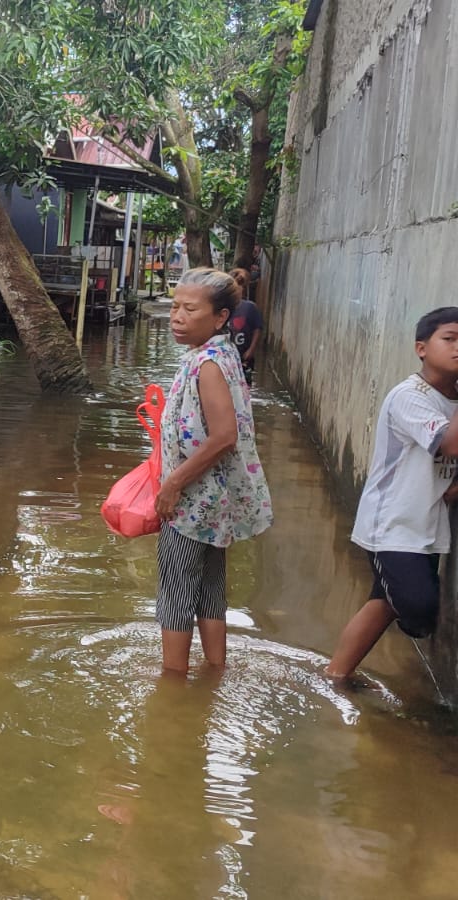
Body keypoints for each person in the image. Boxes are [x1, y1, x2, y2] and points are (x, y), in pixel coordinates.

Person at [326, 308, 458, 680]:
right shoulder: (409, 396)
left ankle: (336, 675)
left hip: (426, 525)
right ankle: (337, 674)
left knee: (385, 599)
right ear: (421, 348)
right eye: (450, 339)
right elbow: (450, 444)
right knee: (416, 609)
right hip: (392, 523)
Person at [154, 268, 274, 672]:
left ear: (221, 317)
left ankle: (172, 683)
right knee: (209, 590)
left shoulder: (207, 363)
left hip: (192, 501)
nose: (177, 317)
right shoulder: (222, 355)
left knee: (175, 593)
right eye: (175, 307)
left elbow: (224, 436)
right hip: (216, 501)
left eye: (190, 309)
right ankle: (214, 673)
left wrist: (173, 484)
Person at [227, 268, 264, 381]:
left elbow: (257, 329)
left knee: (245, 384)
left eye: (240, 286)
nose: (238, 290)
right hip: (227, 356)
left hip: (244, 356)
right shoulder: (223, 308)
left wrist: (251, 349)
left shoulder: (250, 307)